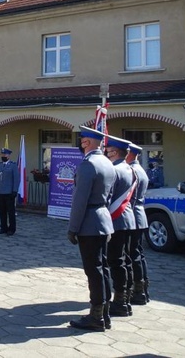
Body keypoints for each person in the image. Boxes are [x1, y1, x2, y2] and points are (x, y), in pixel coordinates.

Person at [67, 126, 115, 332]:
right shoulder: (107, 162)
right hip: (104, 219)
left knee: (93, 270)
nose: (81, 143)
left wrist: (73, 228)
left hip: (89, 223)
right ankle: (104, 313)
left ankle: (96, 317)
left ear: (86, 142)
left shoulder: (88, 165)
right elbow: (110, 195)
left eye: (82, 139)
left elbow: (80, 200)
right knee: (102, 268)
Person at [103, 136, 137, 319]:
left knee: (115, 261)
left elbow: (107, 196)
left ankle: (120, 301)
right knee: (123, 260)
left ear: (115, 152)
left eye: (108, 151)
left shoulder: (115, 170)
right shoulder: (131, 170)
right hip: (127, 219)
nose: (106, 154)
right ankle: (126, 297)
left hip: (115, 219)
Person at [126, 143, 150, 305]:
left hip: (132, 216)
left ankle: (137, 290)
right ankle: (142, 289)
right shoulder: (141, 170)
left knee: (132, 254)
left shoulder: (132, 171)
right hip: (139, 216)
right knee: (138, 254)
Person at [0, 147, 20, 236]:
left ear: (8, 156)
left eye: (5, 154)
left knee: (11, 212)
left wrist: (14, 191)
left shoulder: (13, 165)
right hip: (1, 192)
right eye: (2, 154)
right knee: (2, 211)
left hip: (9, 192)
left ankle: (12, 229)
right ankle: (3, 227)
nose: (3, 156)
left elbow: (16, 179)